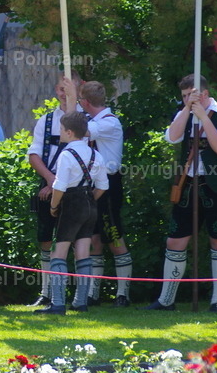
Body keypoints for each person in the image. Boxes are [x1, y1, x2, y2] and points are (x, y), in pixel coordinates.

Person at [145, 74, 217, 313]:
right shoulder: (183, 113)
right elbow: (171, 137)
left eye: (191, 95)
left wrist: (204, 118)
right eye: (184, 96)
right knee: (175, 239)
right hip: (188, 183)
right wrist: (188, 111)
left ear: (204, 94)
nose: (187, 99)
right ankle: (166, 300)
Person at [64, 79, 134, 307]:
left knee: (114, 237)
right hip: (90, 184)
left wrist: (71, 98)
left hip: (109, 185)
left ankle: (123, 293)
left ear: (85, 101)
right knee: (92, 237)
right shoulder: (95, 119)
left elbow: (78, 129)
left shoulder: (108, 123)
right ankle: (93, 292)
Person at [36, 111, 107, 315]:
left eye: (61, 130)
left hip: (71, 202)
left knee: (59, 251)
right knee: (83, 251)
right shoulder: (96, 154)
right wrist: (89, 199)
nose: (60, 133)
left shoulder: (67, 154)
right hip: (90, 202)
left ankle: (58, 303)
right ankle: (80, 302)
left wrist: (53, 206)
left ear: (68, 132)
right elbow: (103, 186)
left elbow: (59, 186)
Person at [25, 76, 72, 307]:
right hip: (47, 186)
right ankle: (46, 291)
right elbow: (34, 155)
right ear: (56, 90)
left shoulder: (84, 119)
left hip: (76, 189)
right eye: (62, 89)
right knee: (45, 238)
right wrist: (51, 179)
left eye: (69, 88)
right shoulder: (46, 121)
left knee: (80, 240)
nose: (65, 93)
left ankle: (84, 296)